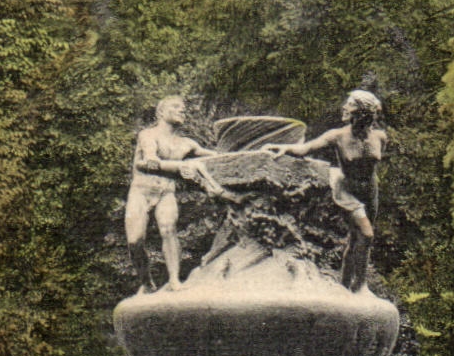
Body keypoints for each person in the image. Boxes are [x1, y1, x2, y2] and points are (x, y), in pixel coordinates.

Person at [263, 90, 388, 292]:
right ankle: (361, 285)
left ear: (362, 112)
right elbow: (306, 148)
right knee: (367, 234)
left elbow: (372, 164)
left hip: (370, 190)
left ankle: (346, 287)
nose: (345, 108)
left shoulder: (380, 137)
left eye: (350, 105)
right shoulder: (337, 136)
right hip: (347, 188)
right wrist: (283, 148)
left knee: (356, 238)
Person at [126, 96, 239, 294]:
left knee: (169, 229)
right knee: (135, 241)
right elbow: (148, 158)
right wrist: (179, 165)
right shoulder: (148, 135)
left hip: (166, 191)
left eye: (183, 108)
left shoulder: (187, 144)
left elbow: (216, 156)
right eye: (176, 107)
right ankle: (146, 281)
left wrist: (242, 154)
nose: (182, 111)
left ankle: (174, 280)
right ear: (161, 112)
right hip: (141, 191)